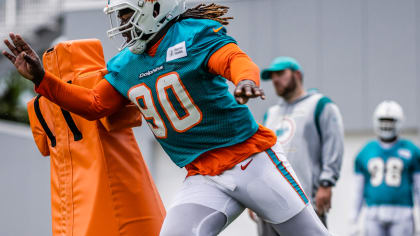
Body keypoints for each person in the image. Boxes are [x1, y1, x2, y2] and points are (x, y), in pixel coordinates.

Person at [2, 1, 330, 235]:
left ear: (155, 7)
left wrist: (246, 81)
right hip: (201, 173)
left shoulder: (191, 34)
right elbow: (95, 105)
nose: (122, 24)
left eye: (127, 13)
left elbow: (233, 59)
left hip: (250, 160)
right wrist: (43, 80)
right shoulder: (127, 64)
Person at [27, 39, 165, 236]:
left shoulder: (43, 101)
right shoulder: (97, 82)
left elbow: (95, 106)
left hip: (74, 211)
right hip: (102, 207)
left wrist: (43, 80)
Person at [249, 56, 344, 235]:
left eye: (280, 73)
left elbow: (334, 144)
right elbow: (261, 155)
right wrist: (253, 196)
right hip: (269, 204)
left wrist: (327, 183)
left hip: (305, 202)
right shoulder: (271, 113)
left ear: (297, 74)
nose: (275, 79)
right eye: (272, 76)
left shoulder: (319, 105)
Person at [350, 100, 420, 236]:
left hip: (403, 212)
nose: (386, 125)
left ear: (399, 122)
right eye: (383, 120)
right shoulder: (366, 151)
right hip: (373, 211)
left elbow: (419, 186)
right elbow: (357, 189)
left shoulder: (411, 150)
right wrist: (353, 218)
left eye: (390, 121)